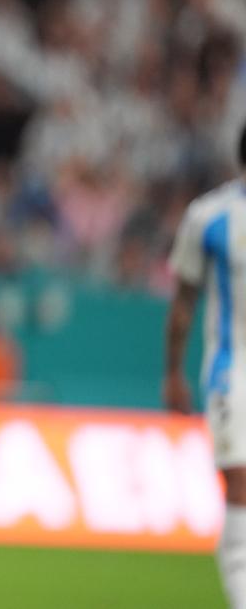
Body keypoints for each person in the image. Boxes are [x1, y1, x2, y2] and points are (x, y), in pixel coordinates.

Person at [165, 122, 246, 609]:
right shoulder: (209, 217)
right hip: (232, 373)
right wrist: (172, 372)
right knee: (241, 484)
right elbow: (183, 305)